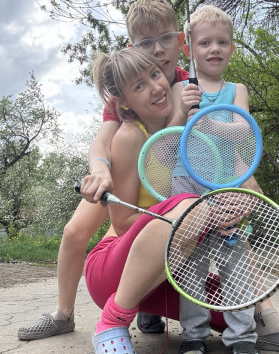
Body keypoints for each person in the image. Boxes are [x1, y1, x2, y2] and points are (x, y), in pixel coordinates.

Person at [17, 0, 187, 341]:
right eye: (145, 43)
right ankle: (63, 314)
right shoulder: (121, 93)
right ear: (131, 45)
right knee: (75, 232)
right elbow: (102, 141)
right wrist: (100, 170)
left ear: (180, 40)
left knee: (170, 226)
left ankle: (148, 303)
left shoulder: (186, 82)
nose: (157, 50)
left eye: (165, 38)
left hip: (165, 172)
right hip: (126, 169)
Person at [169, 5, 279, 354]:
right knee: (192, 261)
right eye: (205, 42)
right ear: (188, 48)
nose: (214, 49)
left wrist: (206, 121)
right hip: (186, 184)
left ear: (232, 48)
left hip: (225, 184)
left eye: (222, 42)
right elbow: (168, 137)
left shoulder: (236, 88)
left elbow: (243, 130)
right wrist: (183, 110)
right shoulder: (180, 87)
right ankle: (193, 336)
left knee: (235, 258)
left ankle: (241, 337)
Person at [85, 47, 248, 354]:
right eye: (139, 86)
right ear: (123, 104)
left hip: (166, 271)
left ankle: (151, 311)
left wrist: (239, 207)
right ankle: (112, 320)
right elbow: (120, 223)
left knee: (236, 312)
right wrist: (205, 216)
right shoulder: (131, 136)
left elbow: (242, 178)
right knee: (189, 206)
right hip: (114, 269)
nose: (156, 87)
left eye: (155, 74)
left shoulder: (194, 128)